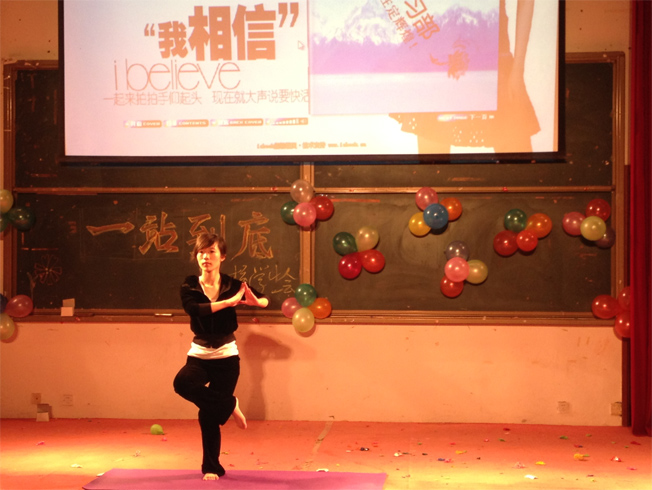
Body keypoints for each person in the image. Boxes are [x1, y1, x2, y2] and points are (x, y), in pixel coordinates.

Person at [173, 232, 269, 481]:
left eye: (211, 252)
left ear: (222, 256)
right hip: (199, 354)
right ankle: (229, 404)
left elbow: (264, 300)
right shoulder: (190, 284)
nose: (205, 257)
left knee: (208, 414)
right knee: (182, 383)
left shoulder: (233, 285)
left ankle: (212, 467)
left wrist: (255, 302)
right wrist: (228, 303)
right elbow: (194, 309)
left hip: (226, 357)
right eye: (201, 252)